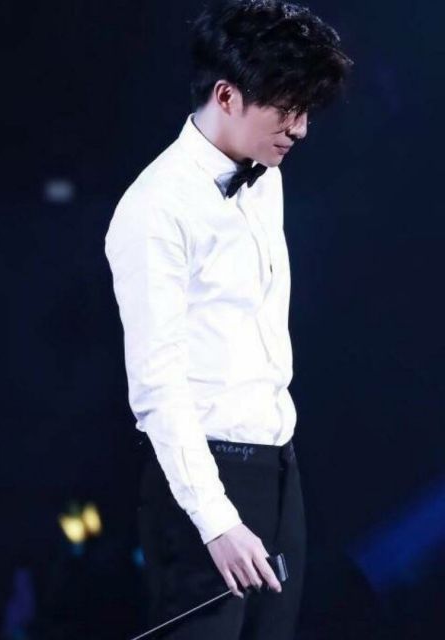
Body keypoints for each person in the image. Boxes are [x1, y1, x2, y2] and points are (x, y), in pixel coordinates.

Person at [104, 1, 353, 638]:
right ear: (226, 95)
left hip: (279, 470)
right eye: (287, 109)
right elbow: (157, 387)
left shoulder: (267, 178)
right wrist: (216, 520)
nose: (300, 129)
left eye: (307, 111)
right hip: (201, 482)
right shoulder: (156, 208)